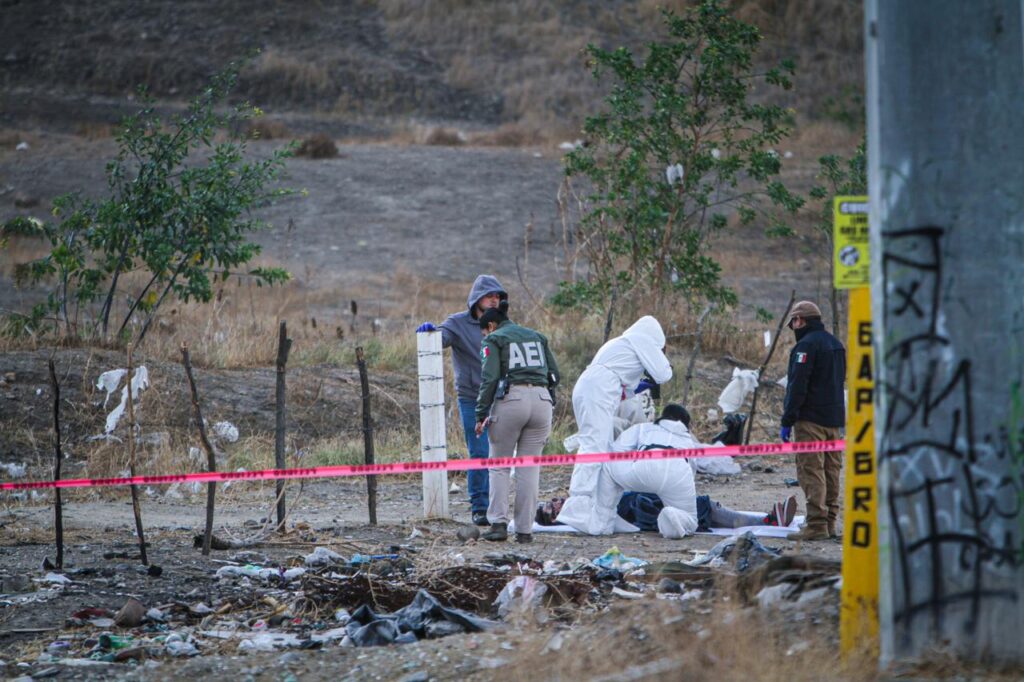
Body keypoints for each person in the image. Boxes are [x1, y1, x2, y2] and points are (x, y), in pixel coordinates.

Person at [556, 403, 796, 537]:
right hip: (674, 477)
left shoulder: (645, 429)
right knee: (700, 511)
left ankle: (602, 522)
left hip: (641, 478)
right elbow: (710, 462)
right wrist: (730, 460)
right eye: (553, 505)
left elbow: (615, 451)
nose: (555, 503)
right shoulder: (686, 439)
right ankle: (766, 519)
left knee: (608, 468)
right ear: (685, 424)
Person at [556, 316, 672, 534]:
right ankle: (579, 509)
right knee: (594, 448)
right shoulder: (641, 339)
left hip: (592, 388)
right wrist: (662, 363)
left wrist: (640, 384)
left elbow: (624, 384)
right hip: (597, 391)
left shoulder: (622, 344)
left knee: (608, 451)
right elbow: (663, 374)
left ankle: (604, 515)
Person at [417, 275, 506, 526]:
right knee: (479, 451)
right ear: (477, 298)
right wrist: (431, 333)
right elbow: (442, 336)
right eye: (490, 296)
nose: (494, 300)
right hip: (471, 397)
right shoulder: (457, 323)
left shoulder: (502, 324)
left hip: (500, 397)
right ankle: (479, 507)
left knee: (500, 453)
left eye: (498, 297)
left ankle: (499, 507)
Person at [474, 300, 559, 544]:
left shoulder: (494, 339)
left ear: (490, 325)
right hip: (542, 402)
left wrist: (481, 413)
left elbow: (489, 379)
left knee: (500, 464)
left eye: (484, 331)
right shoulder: (538, 337)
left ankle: (499, 524)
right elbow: (556, 374)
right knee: (529, 467)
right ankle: (524, 530)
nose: (485, 336)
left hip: (512, 400)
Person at [780, 300, 846, 541]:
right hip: (835, 420)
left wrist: (788, 419)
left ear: (801, 320)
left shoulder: (805, 347)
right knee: (831, 470)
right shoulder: (837, 345)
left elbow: (797, 386)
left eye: (794, 322)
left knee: (811, 470)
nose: (794, 327)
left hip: (810, 420)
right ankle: (830, 524)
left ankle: (816, 524)